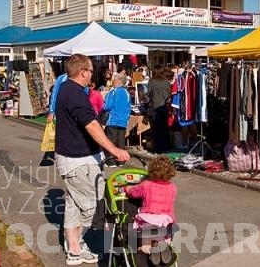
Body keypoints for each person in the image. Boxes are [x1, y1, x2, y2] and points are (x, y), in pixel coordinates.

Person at [54, 54, 130, 265]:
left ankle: (74, 248)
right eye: (90, 69)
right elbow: (92, 125)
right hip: (79, 160)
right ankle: (76, 244)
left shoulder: (67, 89)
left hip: (73, 157)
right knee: (90, 206)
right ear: (83, 72)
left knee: (74, 204)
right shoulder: (75, 94)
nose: (92, 73)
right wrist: (114, 149)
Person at [126, 155, 177, 265]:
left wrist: (127, 189)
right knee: (162, 238)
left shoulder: (147, 185)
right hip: (165, 223)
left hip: (149, 222)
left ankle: (150, 250)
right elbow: (171, 206)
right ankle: (163, 246)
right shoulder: (172, 188)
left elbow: (134, 193)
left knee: (145, 245)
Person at [103, 73, 132, 166]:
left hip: (113, 120)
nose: (113, 82)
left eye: (114, 80)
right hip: (123, 121)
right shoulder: (126, 93)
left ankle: (111, 161)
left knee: (111, 141)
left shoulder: (113, 92)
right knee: (121, 141)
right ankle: (121, 160)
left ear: (118, 81)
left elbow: (107, 106)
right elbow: (129, 107)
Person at [147, 65, 173, 153]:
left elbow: (147, 94)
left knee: (157, 129)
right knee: (165, 128)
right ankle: (167, 146)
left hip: (155, 107)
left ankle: (158, 148)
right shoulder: (166, 82)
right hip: (164, 107)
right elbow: (169, 94)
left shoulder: (152, 82)